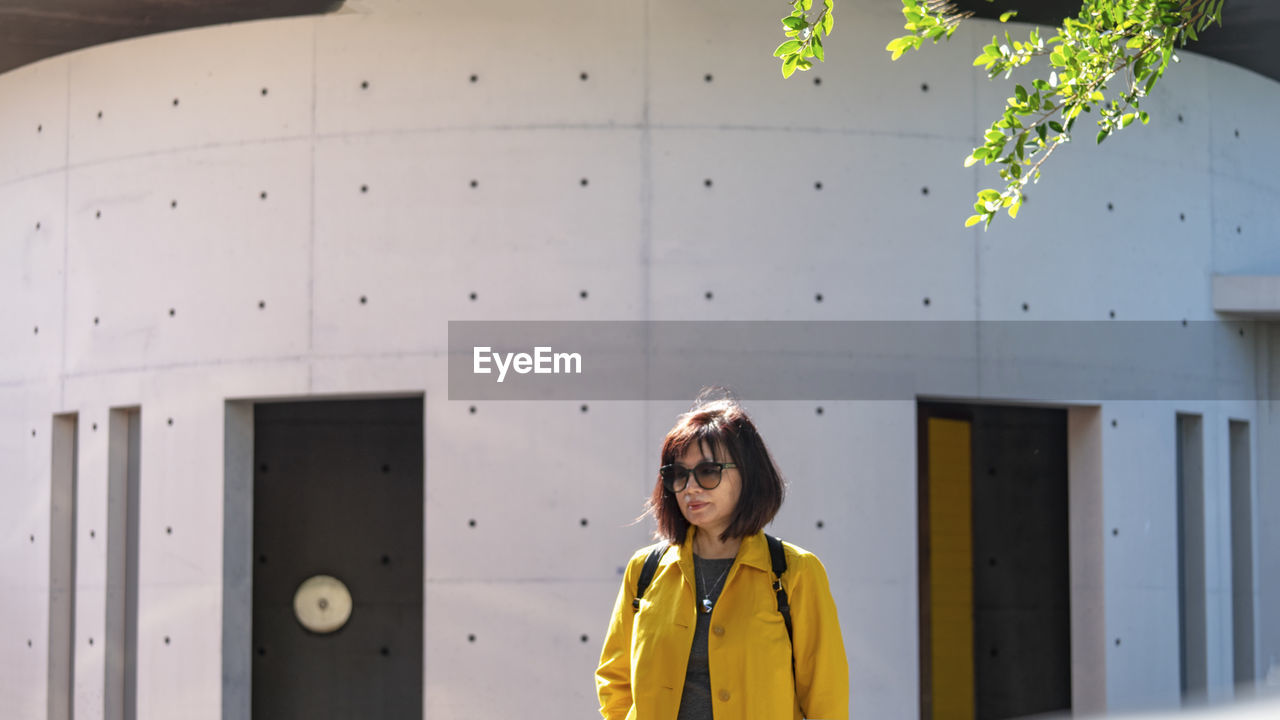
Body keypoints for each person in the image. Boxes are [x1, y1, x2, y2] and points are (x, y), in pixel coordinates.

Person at [596, 392, 848, 720]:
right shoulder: (645, 570)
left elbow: (825, 697)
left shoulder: (794, 572)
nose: (690, 487)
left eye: (708, 471)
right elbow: (614, 679)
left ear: (747, 474)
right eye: (679, 474)